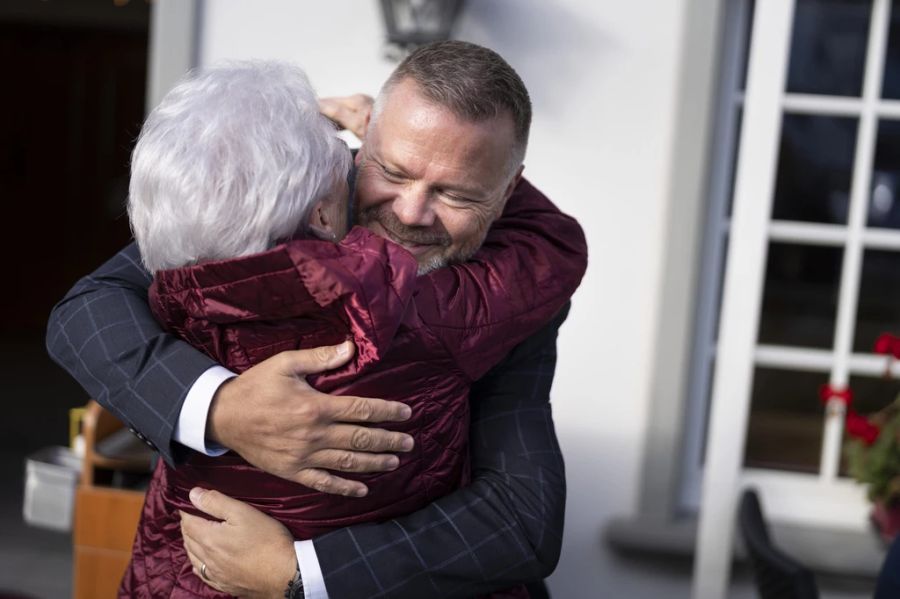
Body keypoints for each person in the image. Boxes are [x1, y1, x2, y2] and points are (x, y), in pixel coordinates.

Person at [47, 41, 583, 598]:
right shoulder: (290, 196)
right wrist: (219, 408)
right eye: (393, 172)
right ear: (361, 146)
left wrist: (304, 574)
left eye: (455, 194)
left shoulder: (513, 285)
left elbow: (522, 517)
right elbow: (88, 309)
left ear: (506, 193)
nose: (410, 212)